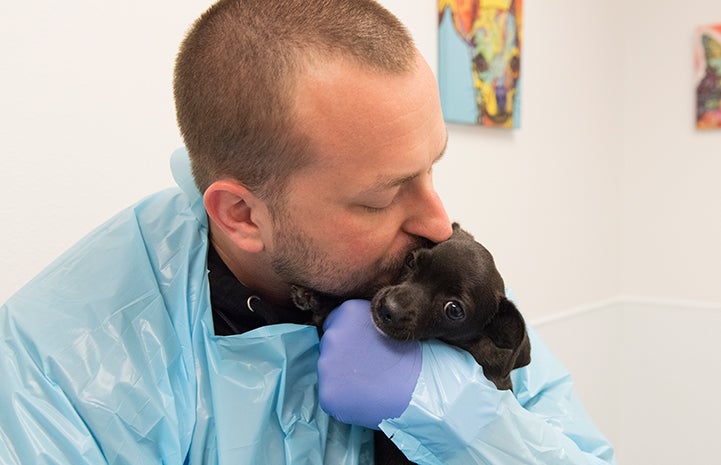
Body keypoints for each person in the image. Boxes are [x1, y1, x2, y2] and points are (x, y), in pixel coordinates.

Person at [0, 0, 616, 463]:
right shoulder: (60, 369)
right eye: (380, 197)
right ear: (242, 214)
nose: (437, 221)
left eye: (432, 167)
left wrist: (451, 411)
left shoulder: (433, 282)